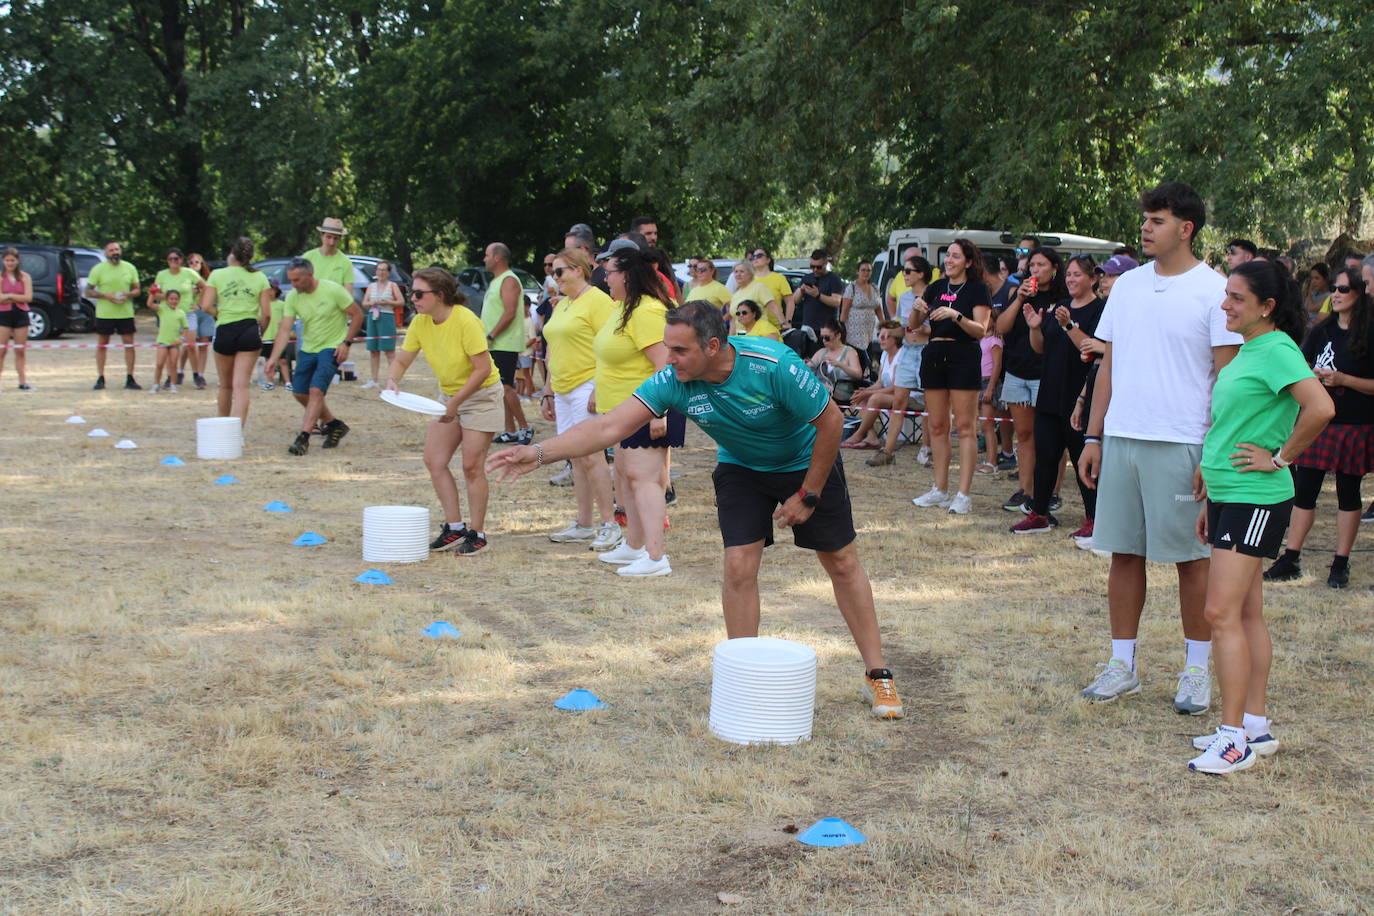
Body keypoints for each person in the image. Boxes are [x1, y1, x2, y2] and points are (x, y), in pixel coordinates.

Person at [487, 300, 906, 720]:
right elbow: (608, 426)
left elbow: (831, 422)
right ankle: (744, 678)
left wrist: (809, 493)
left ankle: (878, 674)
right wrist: (539, 452)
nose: (669, 360)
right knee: (739, 567)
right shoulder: (672, 380)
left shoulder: (771, 363)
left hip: (805, 460)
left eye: (679, 351)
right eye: (668, 349)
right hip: (742, 468)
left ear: (712, 345)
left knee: (842, 562)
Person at [1077, 181, 1244, 713]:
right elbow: (1109, 365)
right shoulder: (1126, 288)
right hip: (1123, 436)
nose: (1145, 229)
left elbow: (1228, 381)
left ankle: (1196, 671)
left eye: (1157, 220)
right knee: (1124, 553)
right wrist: (1095, 435)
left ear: (1186, 228)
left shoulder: (1214, 290)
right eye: (1146, 219)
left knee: (1190, 561)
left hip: (1183, 444)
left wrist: (1213, 455)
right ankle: (1121, 664)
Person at [1187, 259, 1333, 774]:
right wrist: (1211, 486)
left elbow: (1320, 408)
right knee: (1245, 614)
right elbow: (1232, 423)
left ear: (1267, 308)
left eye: (1236, 298)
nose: (1224, 304)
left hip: (1255, 497)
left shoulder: (1277, 350)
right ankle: (1254, 725)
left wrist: (1281, 457)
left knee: (1219, 615)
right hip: (1229, 495)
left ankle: (1232, 742)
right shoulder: (1252, 350)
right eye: (1225, 294)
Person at [1264, 267, 1374, 588]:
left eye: (1343, 289)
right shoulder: (1322, 331)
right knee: (1304, 492)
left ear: (1359, 294)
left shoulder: (1370, 332)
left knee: (1348, 493)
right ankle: (1291, 557)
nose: (1336, 295)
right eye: (1335, 289)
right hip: (1317, 422)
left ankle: (1340, 563)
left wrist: (1343, 380)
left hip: (1354, 424)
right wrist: (1312, 376)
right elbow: (1302, 367)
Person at [386, 268, 502, 556]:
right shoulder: (421, 322)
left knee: (472, 467)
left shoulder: (465, 320)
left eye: (418, 293)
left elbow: (482, 369)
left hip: (481, 397)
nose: (412, 298)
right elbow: (403, 358)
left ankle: (478, 534)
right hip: (449, 396)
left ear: (439, 295)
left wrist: (455, 404)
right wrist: (392, 379)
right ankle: (454, 527)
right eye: (412, 292)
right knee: (434, 460)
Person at [590, 245, 684, 577]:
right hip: (622, 410)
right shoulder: (624, 307)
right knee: (628, 477)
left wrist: (659, 412)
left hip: (645, 408)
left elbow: (665, 364)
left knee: (645, 480)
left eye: (610, 272)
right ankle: (634, 546)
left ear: (627, 275)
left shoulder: (646, 311)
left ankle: (656, 558)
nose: (605, 277)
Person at [1011, 255, 1105, 541]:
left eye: (1078, 275)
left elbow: (1090, 351)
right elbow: (1041, 349)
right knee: (1046, 457)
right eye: (1070, 275)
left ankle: (1095, 518)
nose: (1072, 279)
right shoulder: (1060, 307)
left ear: (1093, 279)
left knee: (1081, 461)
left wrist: (1068, 326)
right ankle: (1039, 513)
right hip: (1050, 393)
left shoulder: (1100, 309)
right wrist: (1035, 327)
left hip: (1080, 397)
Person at [540, 246, 620, 551]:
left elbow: (610, 345)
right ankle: (585, 523)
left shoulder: (598, 301)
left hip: (587, 384)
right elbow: (552, 349)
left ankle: (609, 524)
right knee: (575, 456)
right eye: (552, 272)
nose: (555, 277)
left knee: (591, 455)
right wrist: (548, 389)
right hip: (562, 388)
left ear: (578, 269)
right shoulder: (562, 305)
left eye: (559, 271)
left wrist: (600, 387)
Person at [907, 238, 992, 515]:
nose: (949, 260)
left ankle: (963, 495)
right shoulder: (936, 287)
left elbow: (981, 329)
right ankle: (939, 489)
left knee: (966, 427)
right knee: (937, 427)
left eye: (956, 256)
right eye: (947, 256)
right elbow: (913, 325)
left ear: (968, 261)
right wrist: (917, 310)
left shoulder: (978, 289)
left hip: (963, 356)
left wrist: (956, 316)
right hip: (934, 354)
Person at [263, 258, 363, 455]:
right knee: (300, 393)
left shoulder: (333, 290)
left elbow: (358, 314)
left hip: (331, 348)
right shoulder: (293, 297)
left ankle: (303, 438)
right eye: (290, 280)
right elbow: (284, 330)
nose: (293, 285)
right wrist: (273, 358)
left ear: (310, 275)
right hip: (308, 349)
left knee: (316, 391)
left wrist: (346, 343)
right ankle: (334, 424)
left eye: (297, 280)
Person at [996, 247, 1063, 512]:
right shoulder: (1019, 293)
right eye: (1032, 265)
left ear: (1054, 268)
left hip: (1046, 373)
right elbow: (1001, 328)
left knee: (1051, 436)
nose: (1035, 270)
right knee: (1024, 434)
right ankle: (1025, 489)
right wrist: (1018, 299)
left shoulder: (1062, 297)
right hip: (1017, 370)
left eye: (1041, 265)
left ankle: (1053, 492)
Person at [868, 255, 933, 467]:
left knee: (929, 403)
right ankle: (888, 451)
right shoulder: (905, 297)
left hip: (926, 351)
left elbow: (939, 328)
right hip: (908, 350)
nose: (903, 275)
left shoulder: (933, 295)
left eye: (907, 271)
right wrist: (885, 328)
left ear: (920, 274)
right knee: (899, 400)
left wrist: (924, 329)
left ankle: (926, 449)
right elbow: (903, 325)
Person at [201, 237, 274, 424]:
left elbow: (205, 306)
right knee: (242, 387)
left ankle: (222, 427)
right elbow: (266, 314)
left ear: (231, 254)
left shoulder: (217, 275)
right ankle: (237, 434)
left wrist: (221, 314)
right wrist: (260, 334)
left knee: (225, 386)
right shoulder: (259, 277)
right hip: (250, 329)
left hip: (225, 329)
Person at [481, 243, 532, 446]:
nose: (484, 259)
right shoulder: (496, 281)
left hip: (504, 343)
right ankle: (509, 430)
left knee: (506, 387)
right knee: (499, 388)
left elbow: (510, 312)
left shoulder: (509, 280)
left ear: (497, 258)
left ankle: (525, 427)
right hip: (495, 344)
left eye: (486, 255)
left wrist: (492, 335)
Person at [842, 320, 907, 449]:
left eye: (883, 337)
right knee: (861, 396)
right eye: (879, 335)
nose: (880, 339)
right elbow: (880, 383)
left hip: (906, 396)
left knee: (874, 398)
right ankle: (871, 437)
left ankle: (859, 434)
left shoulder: (901, 356)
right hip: (890, 394)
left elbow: (895, 388)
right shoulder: (884, 355)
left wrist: (869, 392)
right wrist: (864, 392)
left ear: (895, 339)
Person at [87, 239, 142, 390]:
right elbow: (88, 291)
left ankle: (130, 377)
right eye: (111, 250)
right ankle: (100, 377)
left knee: (129, 344)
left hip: (125, 313)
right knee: (102, 344)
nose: (115, 252)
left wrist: (128, 294)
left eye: (117, 249)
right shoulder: (98, 269)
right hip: (105, 314)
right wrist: (106, 296)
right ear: (105, 253)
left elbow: (138, 290)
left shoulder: (130, 268)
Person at [787, 249, 845, 356]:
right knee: (807, 359)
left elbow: (836, 302)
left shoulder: (834, 279)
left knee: (826, 358)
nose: (815, 270)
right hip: (808, 327)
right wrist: (802, 290)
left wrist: (818, 295)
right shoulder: (807, 278)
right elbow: (794, 300)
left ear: (826, 264)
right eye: (812, 266)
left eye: (818, 267)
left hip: (826, 328)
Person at [361, 260, 403, 389]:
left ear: (389, 272)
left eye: (384, 270)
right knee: (373, 350)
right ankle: (374, 380)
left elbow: (401, 302)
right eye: (379, 269)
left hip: (387, 317)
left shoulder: (392, 286)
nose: (381, 272)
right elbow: (364, 303)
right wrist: (371, 303)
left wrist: (388, 302)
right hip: (373, 317)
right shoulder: (371, 286)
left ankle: (392, 380)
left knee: (389, 351)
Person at [0, 247, 34, 390]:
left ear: (17, 261)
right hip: (4, 314)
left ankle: (22, 381)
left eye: (12, 260)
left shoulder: (25, 277)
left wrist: (9, 296)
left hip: (21, 314)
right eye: (7, 260)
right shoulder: (0, 277)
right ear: (3, 261)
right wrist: (14, 297)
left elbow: (28, 297)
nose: (10, 263)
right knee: (2, 350)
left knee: (20, 350)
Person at [178, 252, 213, 388]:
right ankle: (180, 370)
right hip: (189, 312)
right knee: (189, 345)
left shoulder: (208, 278)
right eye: (191, 262)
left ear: (201, 264)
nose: (194, 265)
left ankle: (200, 374)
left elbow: (212, 293)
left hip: (205, 312)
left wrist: (200, 303)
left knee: (203, 344)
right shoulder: (185, 278)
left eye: (197, 262)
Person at [807, 318, 863, 402]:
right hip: (822, 392)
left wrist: (840, 365)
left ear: (838, 336)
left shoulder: (849, 352)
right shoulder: (821, 352)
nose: (824, 341)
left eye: (827, 337)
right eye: (821, 337)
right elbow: (807, 368)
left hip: (842, 392)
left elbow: (858, 374)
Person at [147, 288, 192, 392]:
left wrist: (182, 338)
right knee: (159, 364)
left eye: (176, 299)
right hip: (163, 341)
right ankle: (156, 384)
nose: (174, 301)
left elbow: (185, 327)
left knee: (173, 363)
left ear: (179, 300)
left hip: (174, 342)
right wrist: (152, 294)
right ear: (166, 300)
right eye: (171, 299)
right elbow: (150, 304)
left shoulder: (181, 313)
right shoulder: (162, 309)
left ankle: (172, 384)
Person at [840, 260, 884, 356]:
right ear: (857, 271)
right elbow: (844, 312)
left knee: (868, 360)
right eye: (863, 270)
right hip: (853, 334)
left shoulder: (874, 288)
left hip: (869, 333)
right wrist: (841, 332)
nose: (866, 273)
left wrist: (884, 324)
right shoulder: (852, 288)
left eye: (868, 270)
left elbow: (878, 308)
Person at [728, 262, 782, 336]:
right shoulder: (736, 294)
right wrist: (730, 338)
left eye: (742, 271)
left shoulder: (759, 287)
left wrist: (783, 323)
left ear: (750, 273)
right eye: (736, 272)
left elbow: (772, 306)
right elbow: (734, 319)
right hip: (740, 336)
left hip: (759, 334)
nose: (738, 274)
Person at [302, 217, 355, 290]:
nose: (331, 242)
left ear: (340, 239)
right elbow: (300, 285)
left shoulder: (345, 262)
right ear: (321, 235)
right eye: (328, 237)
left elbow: (348, 292)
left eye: (335, 238)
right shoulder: (307, 257)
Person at [749, 248, 794, 332]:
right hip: (754, 328)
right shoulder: (749, 280)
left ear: (768, 260)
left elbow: (790, 301)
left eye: (759, 256)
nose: (755, 258)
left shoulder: (779, 278)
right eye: (753, 257)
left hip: (776, 328)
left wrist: (788, 321)